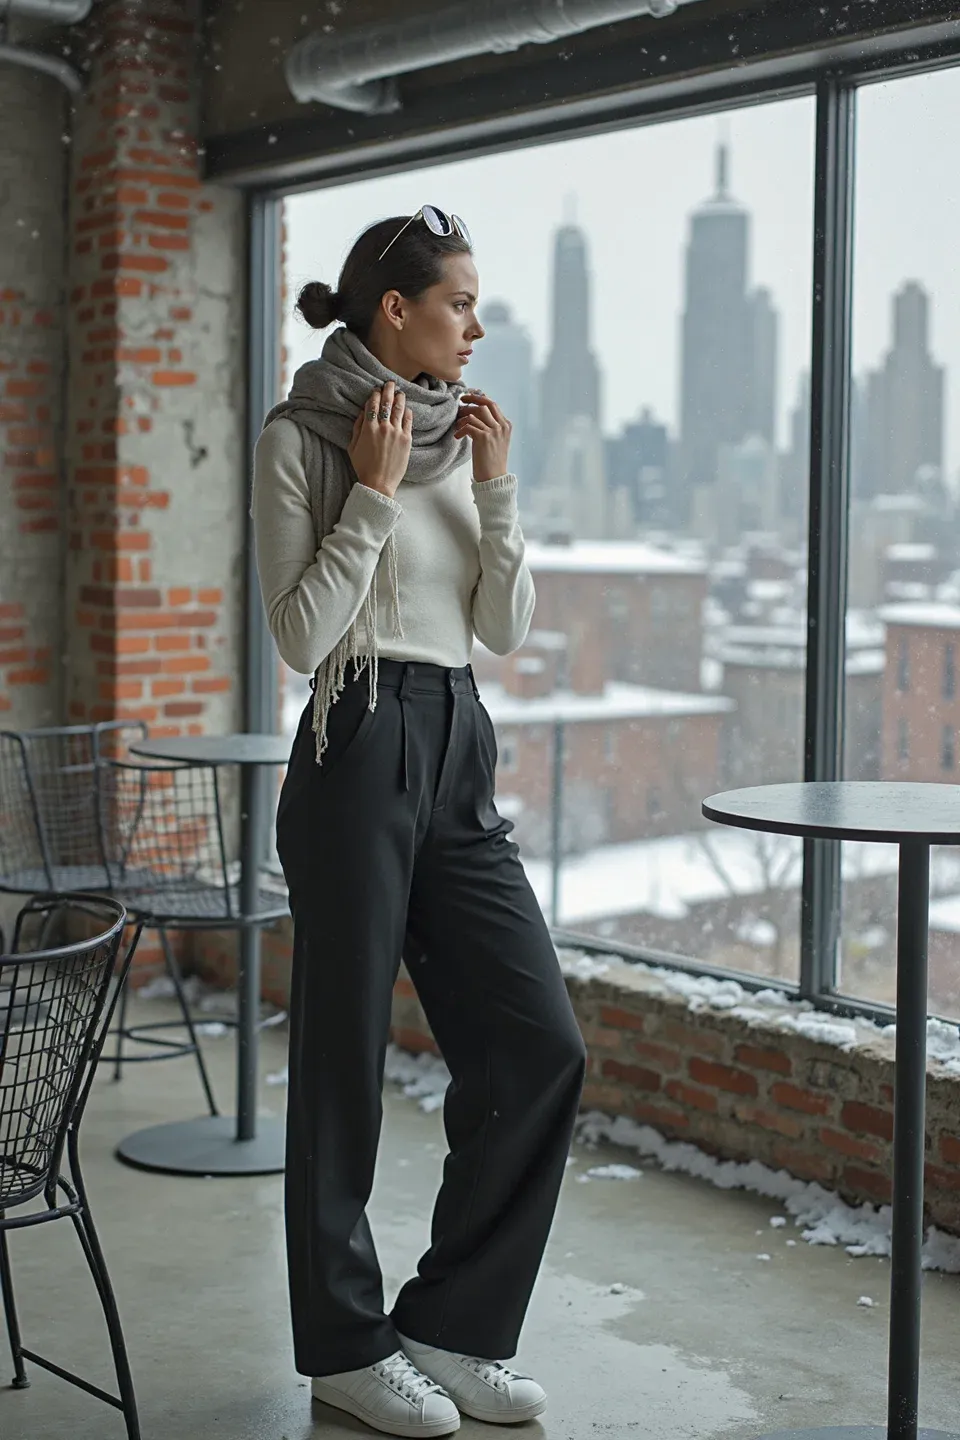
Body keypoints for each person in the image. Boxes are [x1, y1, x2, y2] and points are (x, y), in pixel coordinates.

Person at [252, 206, 587, 1438]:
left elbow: (502, 627)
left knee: (537, 1045)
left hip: (458, 733)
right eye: (459, 303)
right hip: (354, 734)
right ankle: (343, 1346)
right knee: (342, 1062)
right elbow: (298, 637)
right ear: (395, 312)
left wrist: (495, 492)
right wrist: (376, 494)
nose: (476, 326)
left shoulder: (467, 439)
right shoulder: (304, 437)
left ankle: (451, 1323)